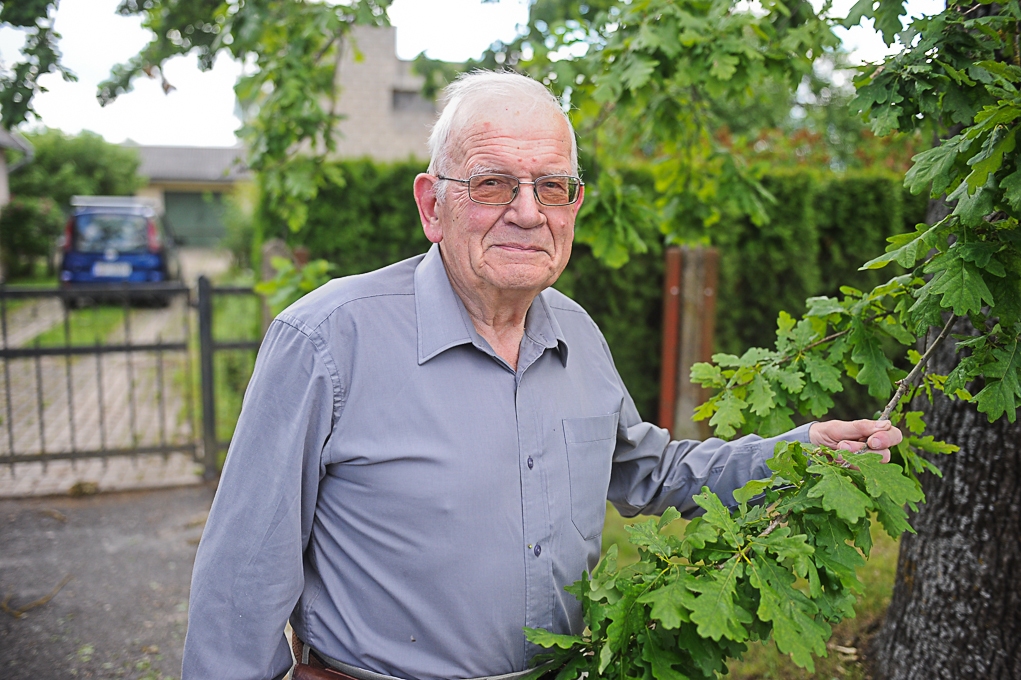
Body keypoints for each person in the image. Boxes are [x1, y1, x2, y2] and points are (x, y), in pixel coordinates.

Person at [182, 71, 902, 680]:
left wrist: (797, 451)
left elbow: (648, 472)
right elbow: (240, 584)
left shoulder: (576, 332)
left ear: (573, 206)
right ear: (433, 204)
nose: (527, 213)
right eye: (493, 183)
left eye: (551, 187)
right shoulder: (326, 340)